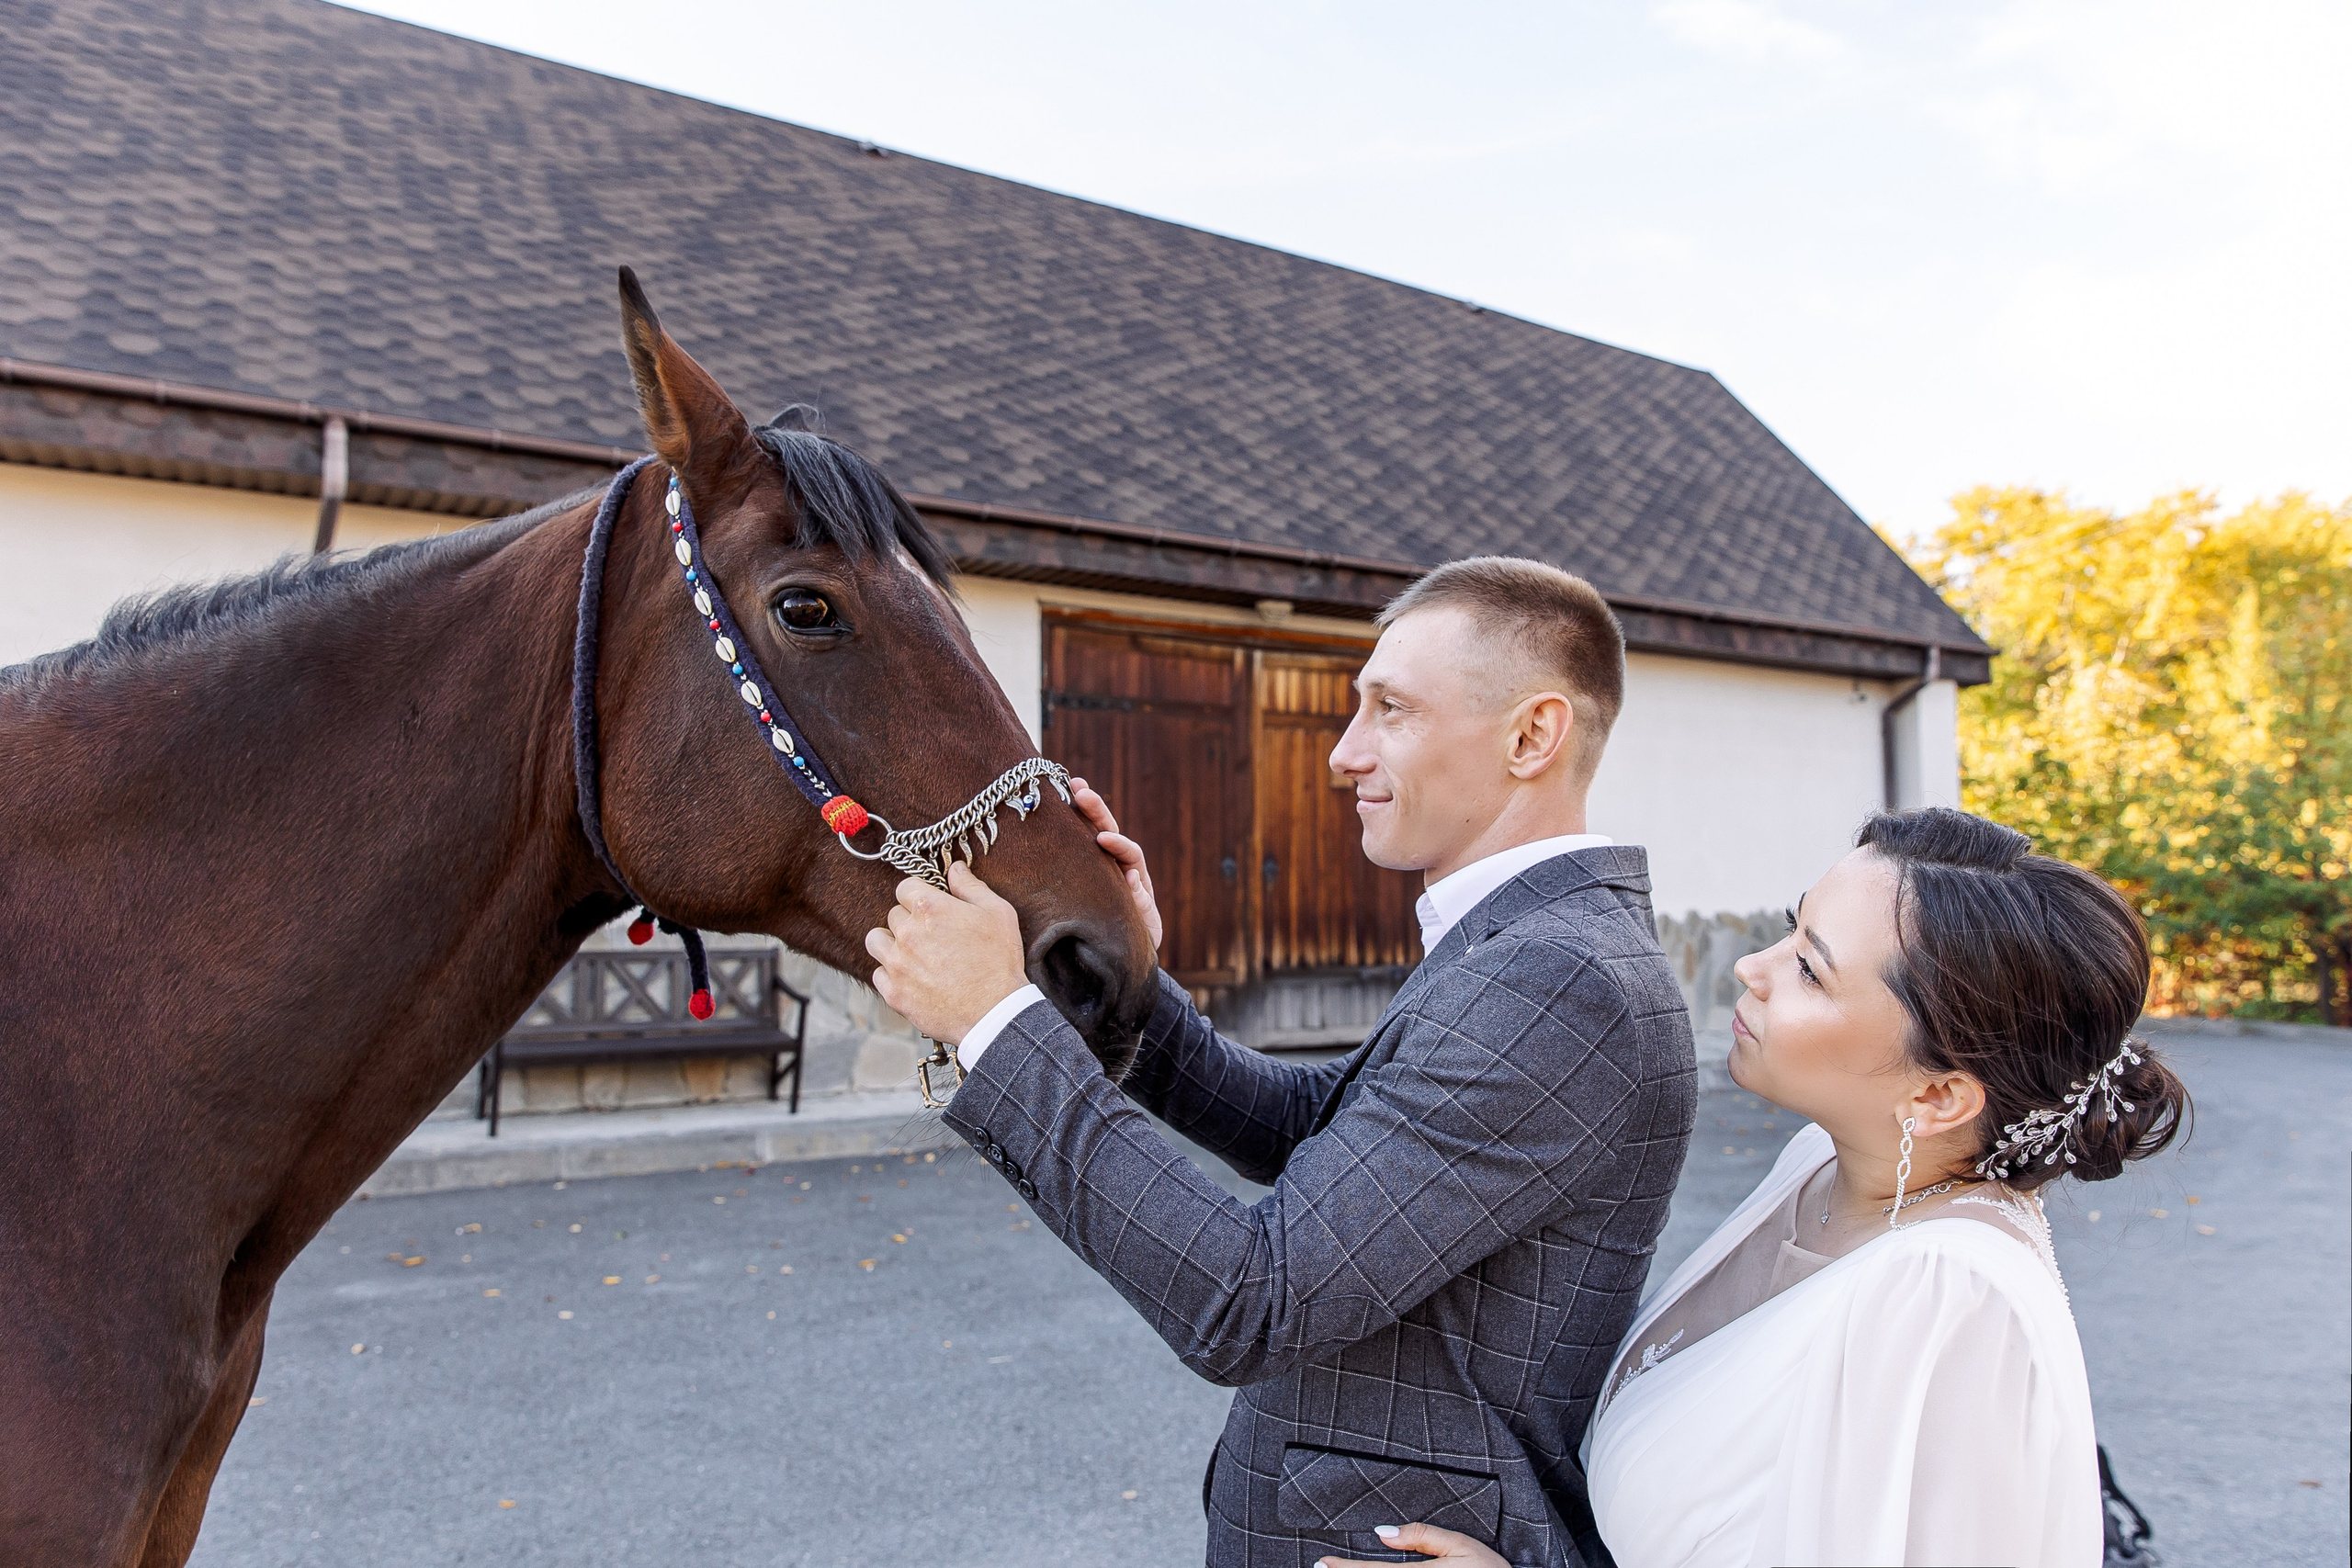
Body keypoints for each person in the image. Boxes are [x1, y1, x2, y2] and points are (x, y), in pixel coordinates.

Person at [866, 557, 1697, 1567]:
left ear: (1532, 736)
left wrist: (995, 1023)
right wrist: (1131, 982)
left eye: (1390, 710)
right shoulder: (1524, 946)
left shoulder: (1558, 982)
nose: (1345, 754)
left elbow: (1252, 1300)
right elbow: (1319, 1131)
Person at [1317, 807, 2190, 1568]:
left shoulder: (1946, 1295)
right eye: (1789, 927)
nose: (1752, 968)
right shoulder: (1822, 1163)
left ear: (1937, 1093)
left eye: (1811, 968)